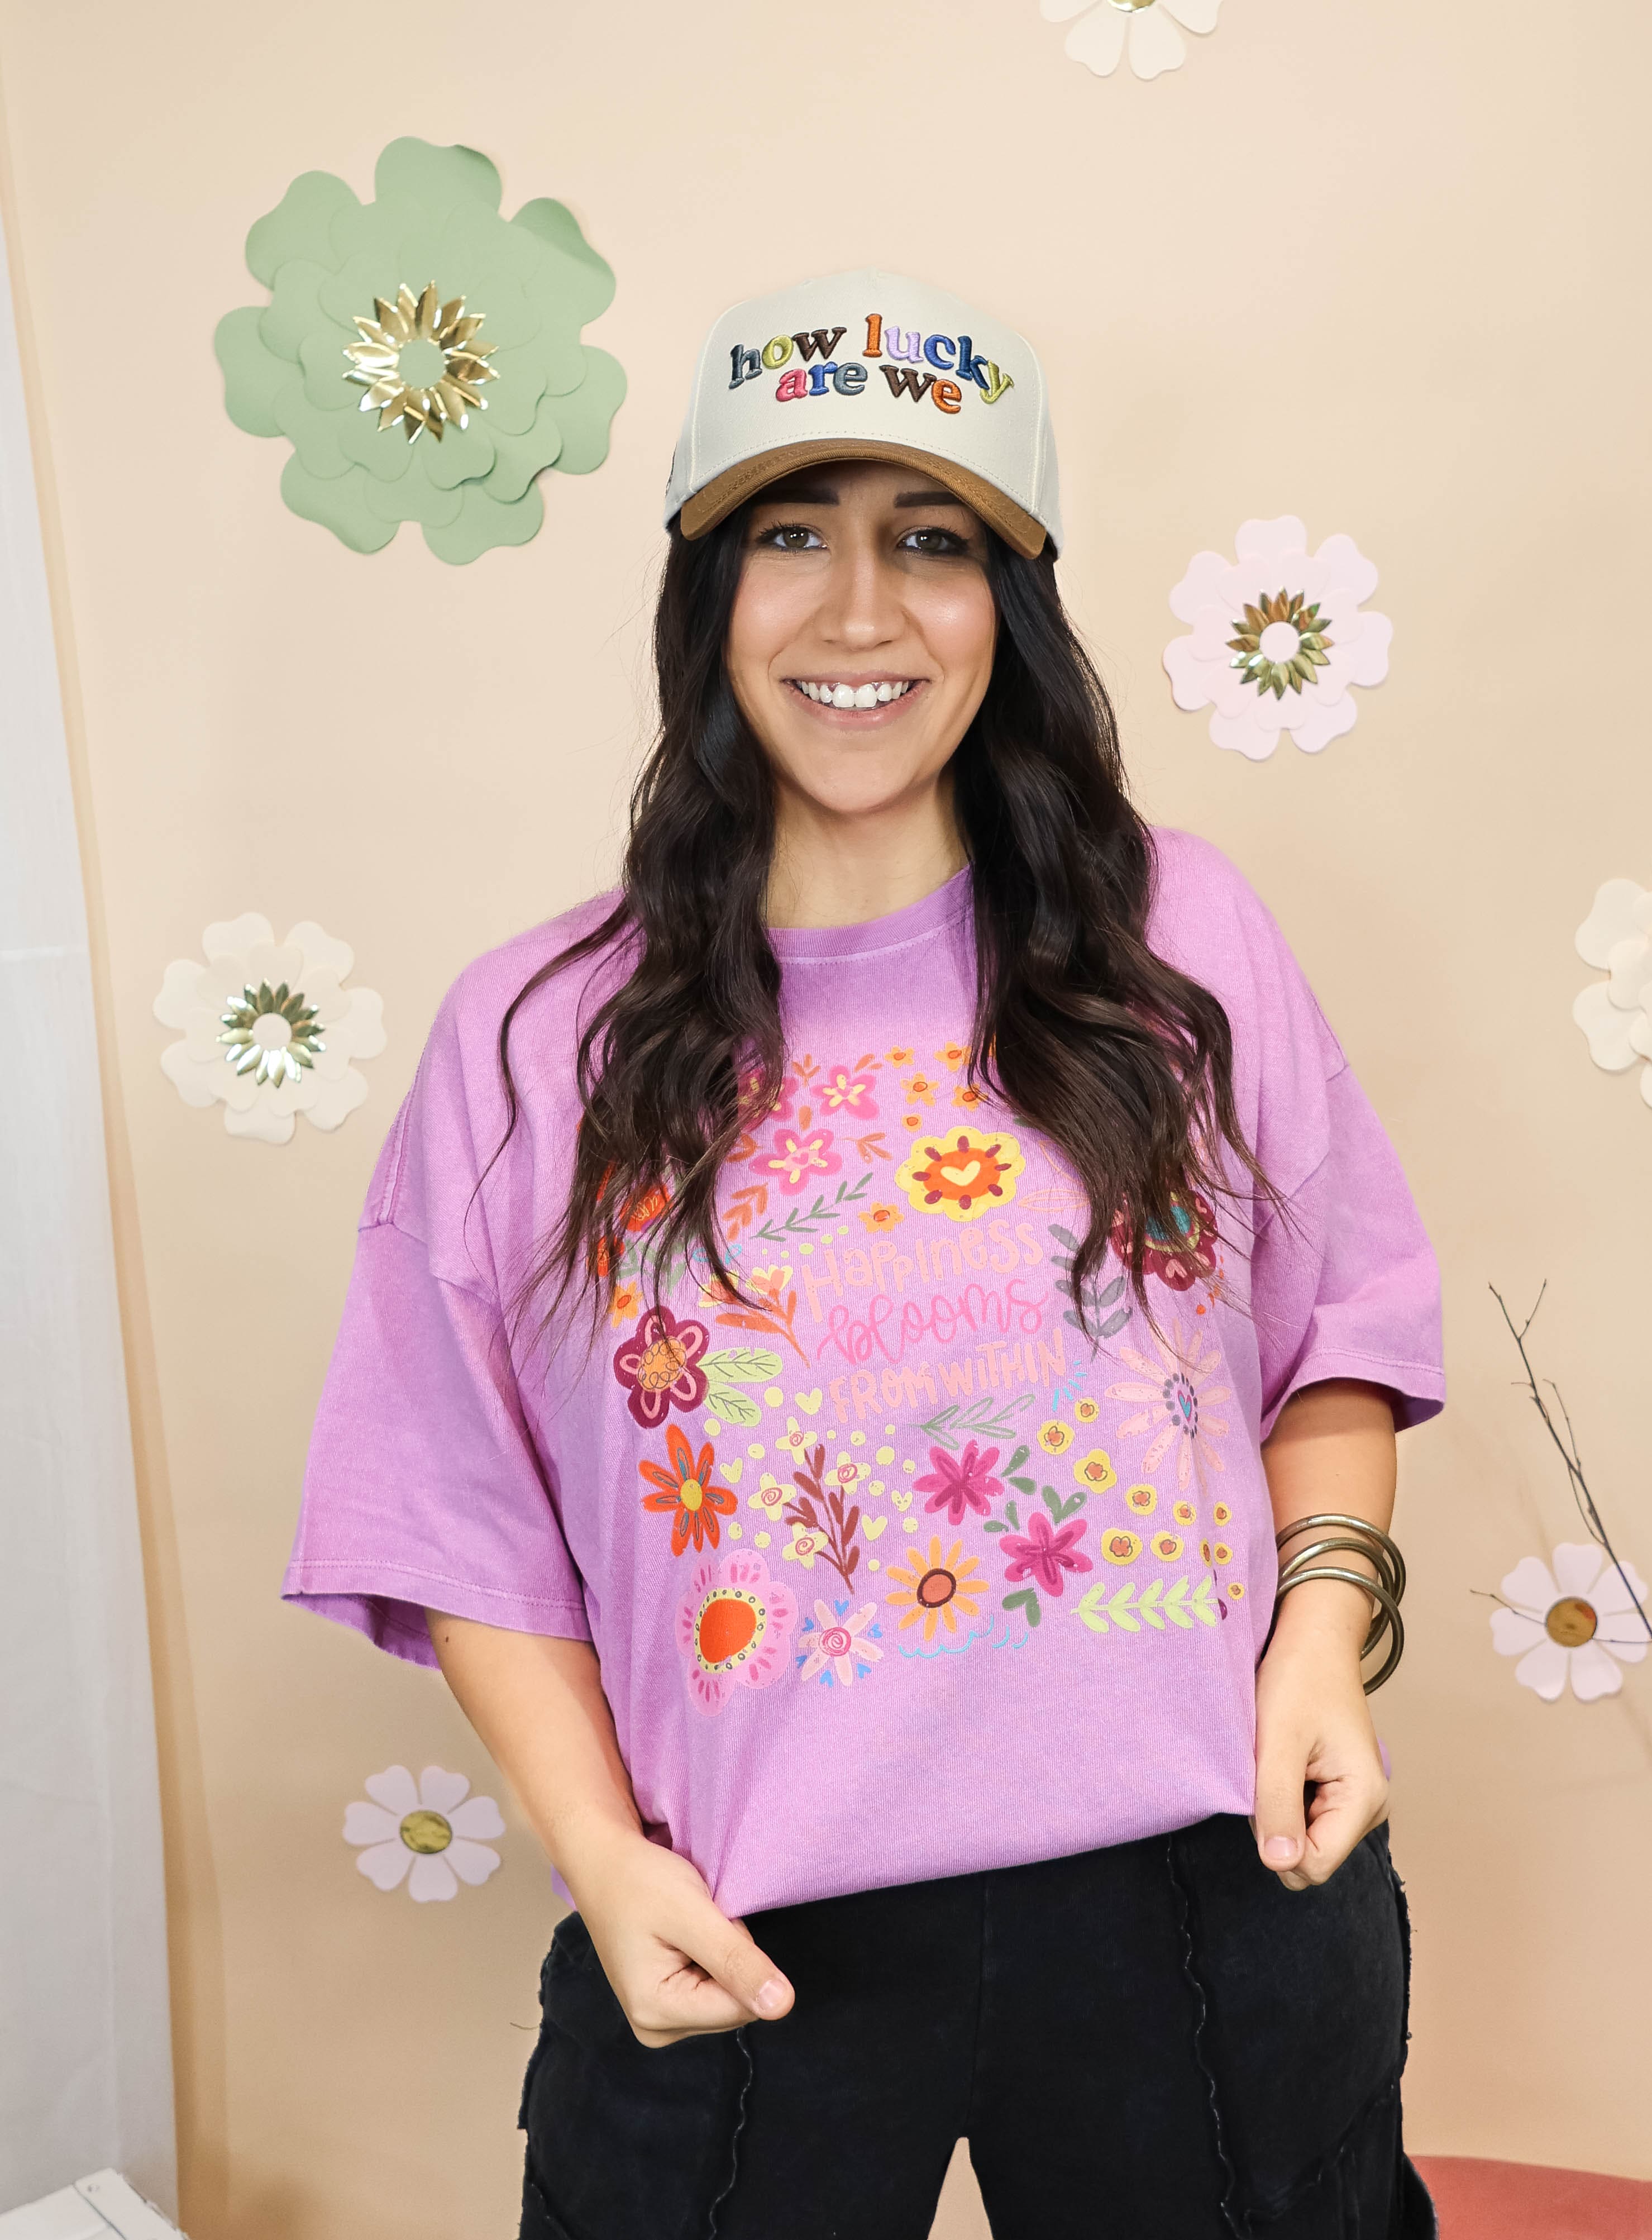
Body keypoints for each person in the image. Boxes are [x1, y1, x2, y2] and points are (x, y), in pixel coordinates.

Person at [285, 269, 1444, 2239]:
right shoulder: (537, 1034)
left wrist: (1324, 1637)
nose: (855, 611)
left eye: (929, 541)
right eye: (788, 536)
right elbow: (459, 1512)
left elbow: (1332, 1330)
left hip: (1202, 1894)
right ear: (705, 595)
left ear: (1012, 602)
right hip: (742, 1926)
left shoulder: (1182, 944)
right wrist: (601, 1856)